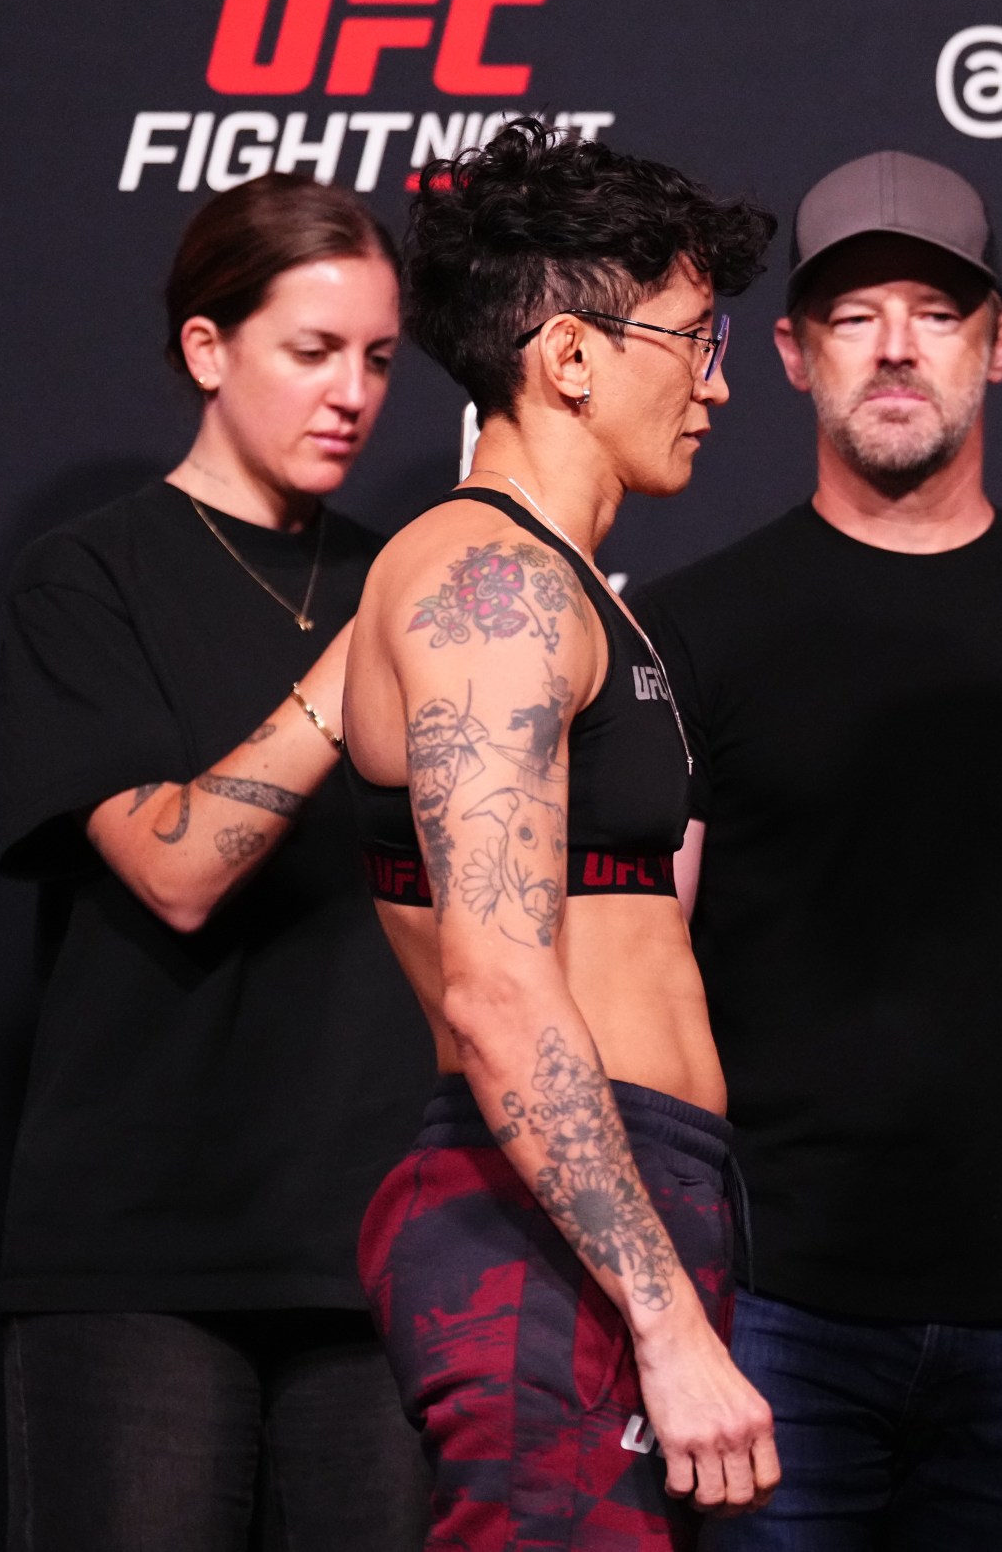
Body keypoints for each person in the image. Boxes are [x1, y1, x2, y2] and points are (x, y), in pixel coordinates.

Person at [633, 150, 1002, 1550]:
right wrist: (675, 1298)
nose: (894, 348)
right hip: (774, 1306)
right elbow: (641, 978)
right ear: (789, 353)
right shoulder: (690, 629)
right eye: (854, 315)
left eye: (936, 314)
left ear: (1001, 345)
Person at [338, 120, 779, 1551]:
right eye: (695, 339)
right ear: (573, 356)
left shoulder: (564, 586)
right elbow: (497, 987)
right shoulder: (492, 588)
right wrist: (665, 1318)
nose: (717, 384)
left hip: (618, 1203)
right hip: (552, 1231)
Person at [0, 174, 434, 1550]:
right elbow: (175, 868)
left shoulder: (411, 583)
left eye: (378, 358)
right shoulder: (88, 578)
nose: (352, 394)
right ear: (207, 347)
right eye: (312, 351)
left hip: (382, 1246)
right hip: (144, 1251)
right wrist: (355, 661)